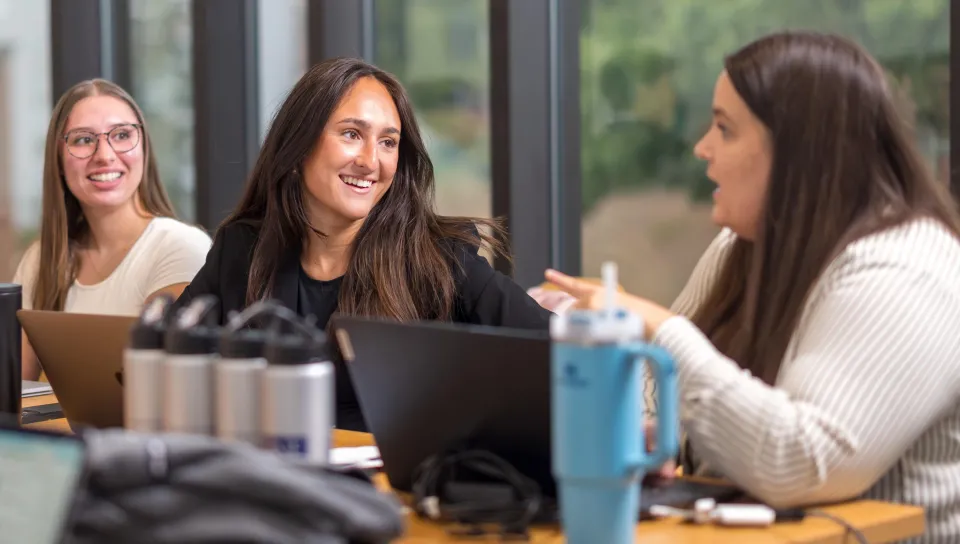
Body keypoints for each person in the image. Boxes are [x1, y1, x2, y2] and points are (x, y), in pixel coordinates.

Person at [542, 31, 960, 541]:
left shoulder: (905, 268)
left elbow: (800, 462)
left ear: (801, 151)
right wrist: (660, 440)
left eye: (725, 128)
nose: (702, 148)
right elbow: (673, 400)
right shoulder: (740, 246)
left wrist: (663, 329)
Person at [174, 57, 551, 431]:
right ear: (298, 147)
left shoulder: (440, 258)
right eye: (352, 134)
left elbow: (557, 349)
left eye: (388, 142)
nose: (372, 162)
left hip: (384, 488)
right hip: (268, 477)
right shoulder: (242, 247)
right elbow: (170, 364)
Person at [13, 79, 212, 380]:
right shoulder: (42, 259)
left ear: (143, 146)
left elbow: (160, 384)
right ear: (58, 157)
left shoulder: (180, 248)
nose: (104, 155)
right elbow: (13, 389)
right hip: (59, 429)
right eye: (82, 140)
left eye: (121, 135)